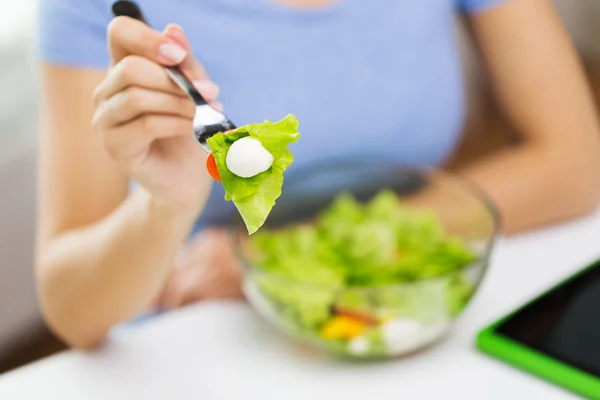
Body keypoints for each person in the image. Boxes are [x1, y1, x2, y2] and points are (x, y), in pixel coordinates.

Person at [36, 0, 600, 349]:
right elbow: (72, 311)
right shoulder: (97, 6)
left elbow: (576, 165)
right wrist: (167, 205)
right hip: (203, 341)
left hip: (401, 316)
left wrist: (290, 258)